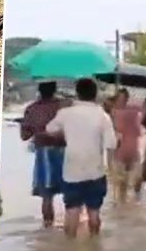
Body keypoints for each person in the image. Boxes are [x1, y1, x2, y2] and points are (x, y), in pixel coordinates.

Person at [45, 78, 116, 238]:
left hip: (72, 171)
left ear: (77, 93)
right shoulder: (102, 116)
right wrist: (110, 169)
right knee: (94, 213)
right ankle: (94, 246)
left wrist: (63, 118)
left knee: (72, 211)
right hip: (96, 171)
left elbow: (49, 129)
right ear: (95, 94)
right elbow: (111, 144)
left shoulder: (66, 113)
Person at [20, 81, 67, 228]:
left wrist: (32, 127)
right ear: (55, 90)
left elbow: (24, 136)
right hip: (65, 153)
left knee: (47, 197)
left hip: (44, 155)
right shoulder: (64, 107)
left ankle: (47, 229)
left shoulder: (32, 109)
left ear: (39, 91)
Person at [110, 88, 144, 204]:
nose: (121, 101)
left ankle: (136, 200)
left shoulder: (132, 109)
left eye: (123, 98)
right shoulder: (113, 112)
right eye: (119, 98)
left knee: (137, 179)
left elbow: (145, 107)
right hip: (120, 150)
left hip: (132, 148)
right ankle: (122, 204)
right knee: (121, 182)